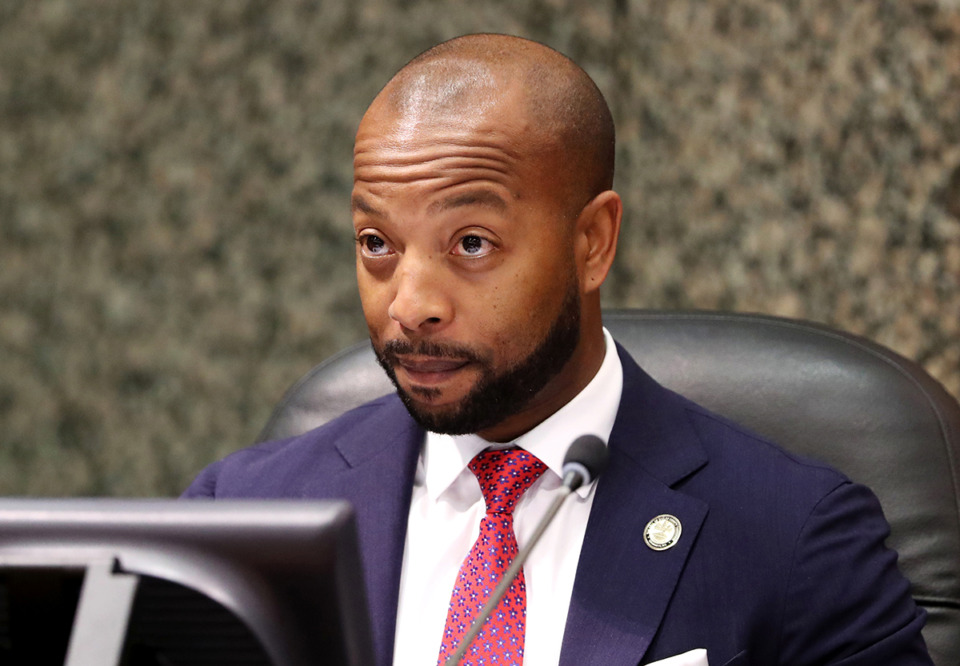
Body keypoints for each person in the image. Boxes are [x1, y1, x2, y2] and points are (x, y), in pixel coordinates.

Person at [185, 34, 932, 666]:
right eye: (377, 243)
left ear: (592, 243)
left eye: (471, 243)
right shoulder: (245, 513)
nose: (410, 304)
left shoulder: (796, 538)